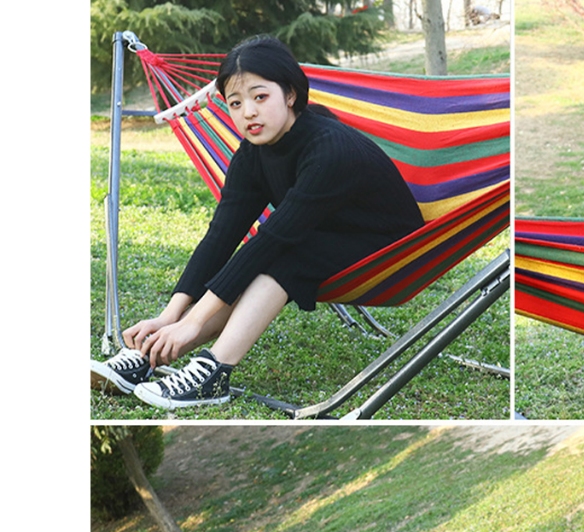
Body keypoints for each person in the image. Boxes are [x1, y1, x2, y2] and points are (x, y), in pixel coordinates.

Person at [91, 35, 425, 410]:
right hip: (324, 239)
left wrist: (193, 321)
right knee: (268, 255)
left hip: (393, 252)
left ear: (291, 94)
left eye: (260, 96)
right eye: (235, 102)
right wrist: (171, 315)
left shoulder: (329, 150)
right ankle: (151, 353)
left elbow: (273, 240)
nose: (248, 112)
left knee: (280, 256)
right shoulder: (254, 153)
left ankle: (214, 373)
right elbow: (221, 237)